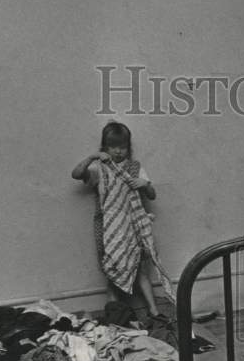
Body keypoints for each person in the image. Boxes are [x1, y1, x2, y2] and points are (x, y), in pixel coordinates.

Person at [71, 121, 173, 319]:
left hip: (133, 226)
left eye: (122, 146)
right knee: (113, 270)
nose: (118, 151)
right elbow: (76, 174)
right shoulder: (100, 169)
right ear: (105, 148)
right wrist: (92, 157)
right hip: (109, 227)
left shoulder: (135, 169)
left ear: (128, 147)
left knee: (141, 268)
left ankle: (153, 310)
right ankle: (114, 315)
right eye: (113, 146)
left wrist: (144, 185)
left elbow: (151, 195)